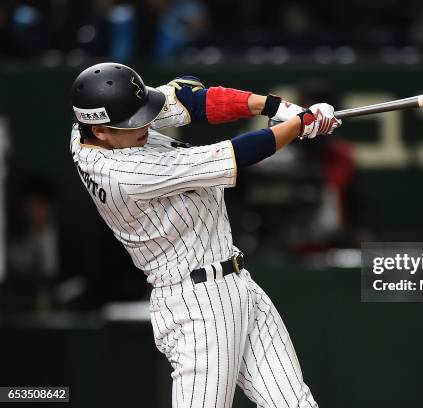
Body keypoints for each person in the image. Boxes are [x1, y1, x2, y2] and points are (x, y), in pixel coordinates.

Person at [69, 62, 340, 408]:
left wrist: (274, 107)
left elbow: (188, 95)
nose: (146, 126)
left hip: (236, 282)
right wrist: (300, 125)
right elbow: (236, 155)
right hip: (195, 303)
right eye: (133, 124)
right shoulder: (123, 173)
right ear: (102, 131)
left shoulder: (86, 130)